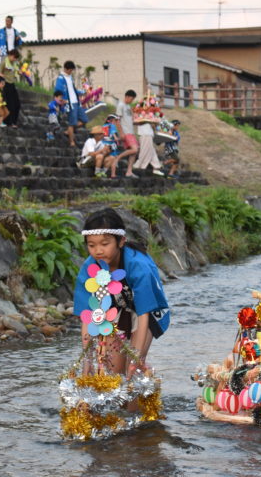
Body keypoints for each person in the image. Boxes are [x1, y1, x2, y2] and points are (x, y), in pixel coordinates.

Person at [73, 207, 170, 376]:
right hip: (114, 308)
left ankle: (141, 389)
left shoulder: (139, 266)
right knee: (111, 371)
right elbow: (88, 316)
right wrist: (86, 363)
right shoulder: (89, 268)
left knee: (133, 369)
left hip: (147, 312)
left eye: (105, 244)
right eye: (91, 245)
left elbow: (143, 314)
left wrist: (136, 358)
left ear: (121, 241)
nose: (98, 251)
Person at [54, 61, 88, 148]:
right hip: (70, 103)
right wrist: (62, 100)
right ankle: (71, 141)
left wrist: (82, 92)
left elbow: (73, 90)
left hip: (76, 102)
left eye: (72, 70)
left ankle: (68, 131)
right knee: (72, 123)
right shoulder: (60, 78)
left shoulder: (70, 78)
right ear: (65, 69)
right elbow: (58, 91)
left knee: (84, 119)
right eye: (70, 70)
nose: (71, 72)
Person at [115, 89, 139, 178]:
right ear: (127, 97)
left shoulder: (128, 107)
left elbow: (132, 120)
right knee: (135, 149)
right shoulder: (120, 105)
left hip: (131, 132)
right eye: (132, 99)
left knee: (134, 152)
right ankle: (118, 157)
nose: (132, 101)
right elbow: (117, 121)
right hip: (126, 132)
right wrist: (121, 133)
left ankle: (129, 171)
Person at [0, 48, 21, 127]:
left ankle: (14, 121)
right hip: (6, 84)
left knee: (17, 104)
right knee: (10, 105)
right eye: (14, 57)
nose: (14, 59)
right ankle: (9, 123)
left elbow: (16, 71)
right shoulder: (4, 62)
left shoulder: (14, 64)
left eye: (16, 58)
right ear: (11, 55)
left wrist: (20, 72)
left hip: (12, 84)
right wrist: (4, 76)